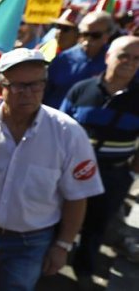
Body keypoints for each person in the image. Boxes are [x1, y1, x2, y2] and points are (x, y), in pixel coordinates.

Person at [0, 48, 104, 291]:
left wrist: (62, 246)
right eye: (19, 86)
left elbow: (77, 196)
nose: (29, 93)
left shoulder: (68, 133)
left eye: (37, 85)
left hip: (30, 244)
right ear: (0, 89)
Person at [60, 35, 139, 289]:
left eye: (137, 59)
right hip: (69, 173)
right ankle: (46, 265)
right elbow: (58, 130)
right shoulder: (82, 89)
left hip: (112, 176)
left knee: (96, 228)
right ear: (108, 57)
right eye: (124, 55)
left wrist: (130, 174)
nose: (129, 62)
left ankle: (83, 271)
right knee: (57, 220)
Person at [44, 11, 115, 108]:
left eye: (95, 35)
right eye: (85, 34)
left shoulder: (115, 60)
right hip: (57, 118)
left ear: (108, 35)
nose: (88, 39)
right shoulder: (63, 59)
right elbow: (45, 91)